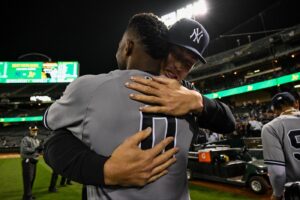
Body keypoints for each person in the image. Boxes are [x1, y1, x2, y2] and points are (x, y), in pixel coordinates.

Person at [43, 16, 235, 190]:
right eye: (176, 55)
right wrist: (103, 170)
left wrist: (199, 101)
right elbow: (55, 143)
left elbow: (228, 123)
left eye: (187, 64)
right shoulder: (109, 86)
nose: (178, 66)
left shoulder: (187, 93)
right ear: (162, 48)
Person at [262, 92, 300, 200]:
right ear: (296, 103)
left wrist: (277, 194)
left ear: (274, 110)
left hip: (295, 192)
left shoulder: (270, 128)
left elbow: (278, 172)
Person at [20, 125, 41, 200]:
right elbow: (24, 150)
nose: (35, 132)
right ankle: (27, 197)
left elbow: (37, 151)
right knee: (28, 180)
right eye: (33, 130)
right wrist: (36, 148)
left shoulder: (37, 140)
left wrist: (40, 150)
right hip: (27, 161)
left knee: (32, 179)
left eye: (36, 130)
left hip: (34, 162)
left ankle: (29, 194)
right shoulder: (25, 139)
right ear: (29, 131)